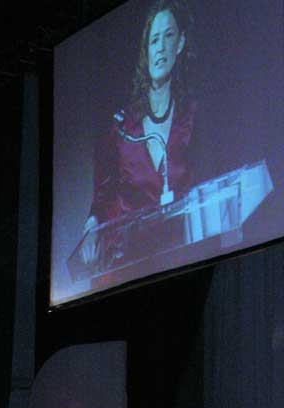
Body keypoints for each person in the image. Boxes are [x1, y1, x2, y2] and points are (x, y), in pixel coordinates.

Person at [82, 0, 197, 265]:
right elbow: (103, 193)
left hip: (182, 255)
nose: (161, 47)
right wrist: (92, 222)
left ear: (180, 43)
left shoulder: (192, 116)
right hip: (128, 261)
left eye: (168, 36)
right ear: (146, 50)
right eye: (154, 40)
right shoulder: (123, 128)